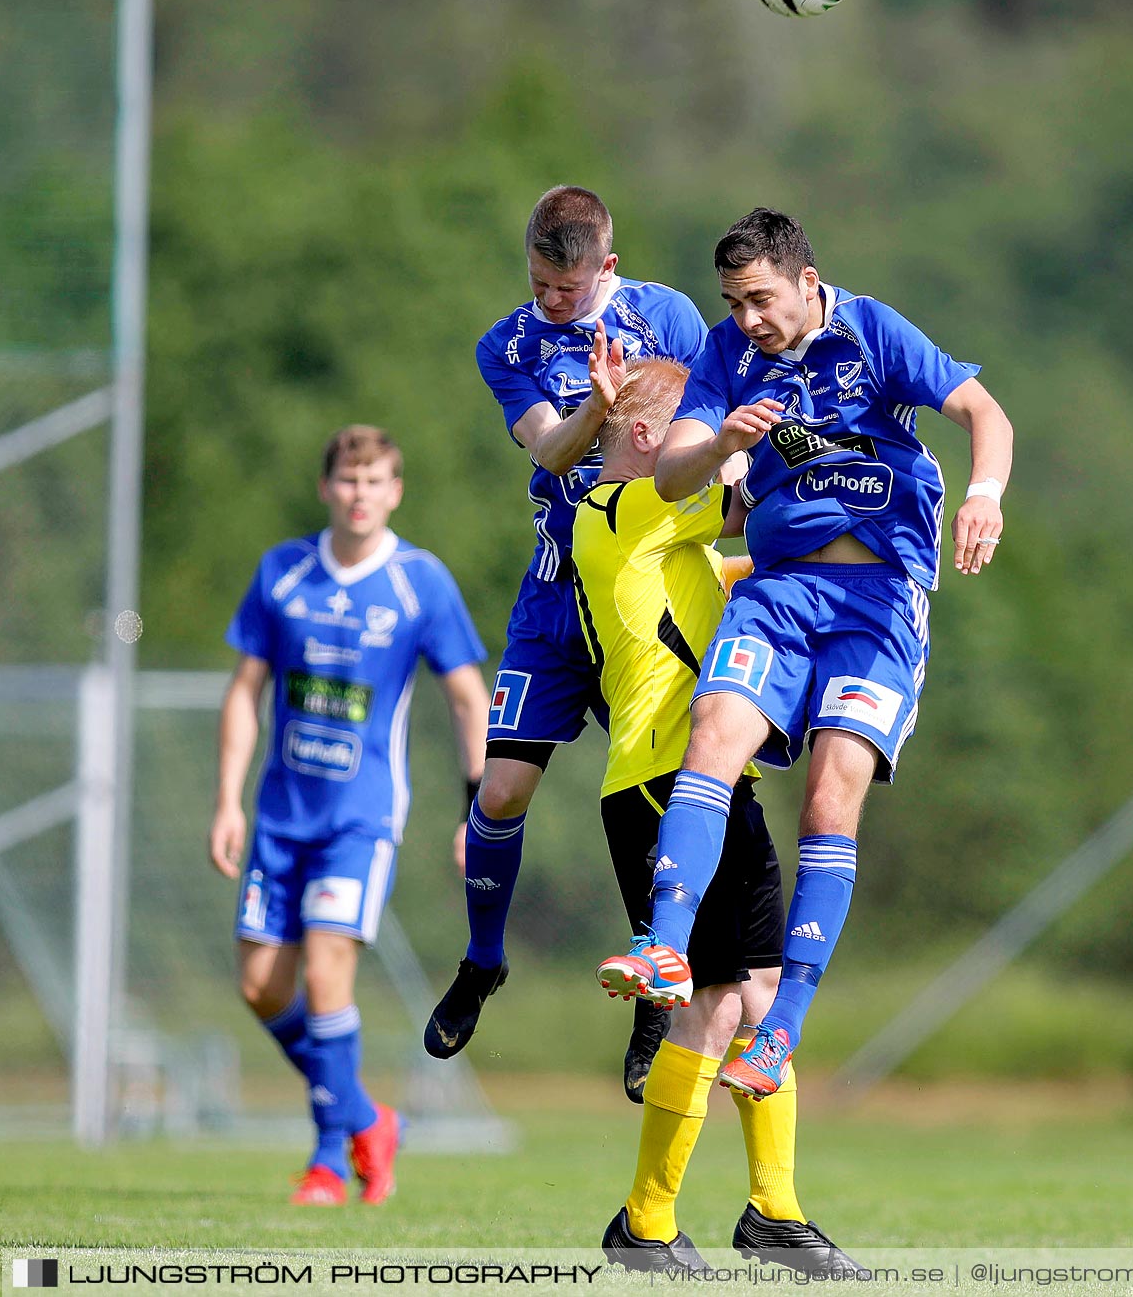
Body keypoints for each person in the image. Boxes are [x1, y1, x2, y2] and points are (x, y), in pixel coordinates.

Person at [599, 208, 1014, 1100]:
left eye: (760, 299)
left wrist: (984, 495)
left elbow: (984, 412)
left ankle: (781, 1027)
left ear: (805, 279)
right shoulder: (726, 356)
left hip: (876, 606)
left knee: (830, 798)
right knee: (712, 734)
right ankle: (665, 948)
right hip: (778, 596)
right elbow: (671, 474)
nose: (748, 318)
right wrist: (720, 445)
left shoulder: (870, 330)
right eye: (733, 302)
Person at [573, 358, 869, 1279]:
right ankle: (647, 1221)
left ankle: (773, 1210)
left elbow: (735, 559)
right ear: (655, 443)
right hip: (669, 782)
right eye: (695, 437)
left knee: (761, 996)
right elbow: (766, 515)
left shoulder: (656, 533)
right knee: (712, 999)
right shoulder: (625, 507)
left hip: (701, 782)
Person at [423, 186, 709, 1090]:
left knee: (640, 795)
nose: (550, 300)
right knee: (501, 790)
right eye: (539, 283)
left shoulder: (669, 317)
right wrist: (601, 408)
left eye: (567, 286)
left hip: (636, 583)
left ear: (608, 269)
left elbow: (710, 423)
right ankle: (482, 961)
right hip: (555, 590)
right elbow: (550, 451)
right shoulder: (506, 344)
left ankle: (657, 990)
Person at [210, 425, 490, 1206]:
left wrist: (479, 813)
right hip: (277, 816)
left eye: (375, 482)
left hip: (361, 816)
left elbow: (469, 698)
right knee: (263, 988)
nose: (359, 495)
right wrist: (227, 800)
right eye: (347, 480)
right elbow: (245, 691)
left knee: (329, 973)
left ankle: (330, 1158)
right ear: (327, 486)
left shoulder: (419, 583)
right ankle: (370, 1118)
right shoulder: (283, 573)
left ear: (395, 491)